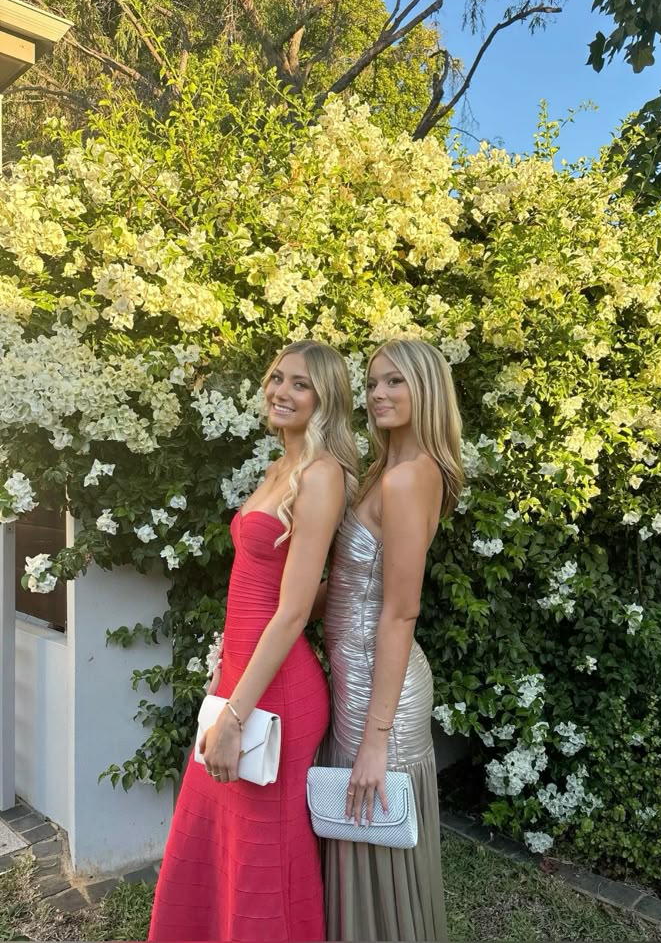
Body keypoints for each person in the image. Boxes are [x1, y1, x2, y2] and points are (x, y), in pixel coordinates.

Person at [148, 340, 358, 943]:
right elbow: (255, 589)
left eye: (301, 384)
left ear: (326, 400)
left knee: (265, 857)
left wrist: (235, 716)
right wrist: (225, 671)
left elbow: (292, 612)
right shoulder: (279, 468)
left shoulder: (321, 476)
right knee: (212, 834)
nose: (281, 391)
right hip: (242, 678)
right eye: (277, 377)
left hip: (278, 693)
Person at [317, 338, 464, 942]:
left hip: (382, 692)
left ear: (425, 389)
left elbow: (401, 613)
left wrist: (375, 740)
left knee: (374, 834)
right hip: (354, 675)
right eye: (373, 382)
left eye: (394, 381)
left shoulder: (408, 478)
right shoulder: (383, 471)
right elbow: (349, 586)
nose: (378, 393)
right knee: (357, 832)